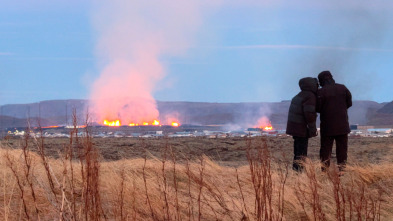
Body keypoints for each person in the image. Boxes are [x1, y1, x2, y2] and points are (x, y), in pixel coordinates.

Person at [317, 71, 352, 171]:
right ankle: (342, 170)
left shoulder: (321, 92)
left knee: (325, 150)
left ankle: (324, 170)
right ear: (331, 78)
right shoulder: (343, 88)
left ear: (321, 81)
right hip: (342, 125)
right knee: (342, 149)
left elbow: (318, 108)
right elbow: (349, 103)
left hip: (327, 126)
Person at [286, 77, 319, 172]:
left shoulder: (299, 95)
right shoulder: (310, 96)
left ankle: (296, 171)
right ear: (311, 85)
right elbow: (309, 114)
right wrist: (312, 130)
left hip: (295, 129)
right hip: (301, 130)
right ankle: (299, 173)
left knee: (297, 153)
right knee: (301, 153)